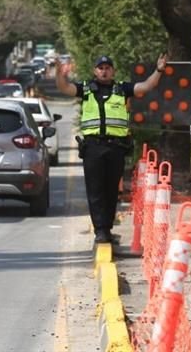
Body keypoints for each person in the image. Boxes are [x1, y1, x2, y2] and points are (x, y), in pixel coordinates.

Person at [56, 52, 167, 244]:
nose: (104, 71)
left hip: (116, 147)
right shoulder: (86, 89)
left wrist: (159, 70)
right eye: (101, 68)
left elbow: (146, 86)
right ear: (95, 71)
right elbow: (64, 88)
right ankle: (100, 230)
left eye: (107, 68)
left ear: (113, 71)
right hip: (93, 147)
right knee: (95, 190)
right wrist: (60, 73)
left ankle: (107, 228)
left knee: (111, 191)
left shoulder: (122, 89)